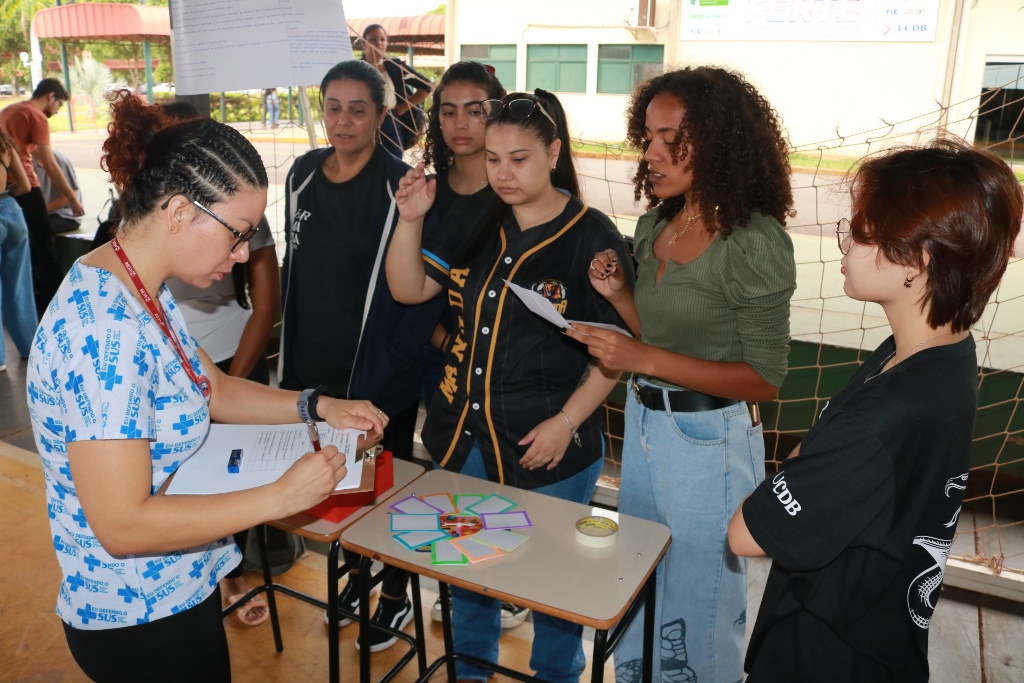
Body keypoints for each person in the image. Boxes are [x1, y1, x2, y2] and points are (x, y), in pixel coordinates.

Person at [25, 90, 387, 682]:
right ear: (178, 212)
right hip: (139, 618)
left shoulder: (137, 283)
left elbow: (212, 386)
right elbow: (122, 525)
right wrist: (280, 497)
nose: (243, 254)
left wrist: (318, 407)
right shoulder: (104, 330)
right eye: (236, 233)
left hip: (178, 589)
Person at [728, 140, 1022, 682]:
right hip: (875, 638)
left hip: (826, 657)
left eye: (862, 231)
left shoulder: (885, 415)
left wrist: (806, 461)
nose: (845, 242)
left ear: (918, 258)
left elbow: (745, 534)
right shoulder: (937, 353)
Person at [386, 89, 634, 683]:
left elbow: (617, 355)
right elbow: (408, 289)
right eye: (494, 159)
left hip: (546, 443)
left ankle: (557, 675)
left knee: (552, 584)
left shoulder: (591, 237)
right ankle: (471, 670)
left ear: (553, 153)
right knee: (468, 573)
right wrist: (409, 220)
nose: (503, 173)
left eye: (519, 159)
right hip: (463, 437)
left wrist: (566, 423)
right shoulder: (479, 217)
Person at [565, 67, 797, 683]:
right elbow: (658, 339)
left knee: (700, 605)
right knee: (639, 579)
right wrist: (620, 296)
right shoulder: (656, 226)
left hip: (709, 440)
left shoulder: (752, 240)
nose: (653, 152)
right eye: (649, 136)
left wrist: (642, 359)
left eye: (673, 138)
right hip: (646, 426)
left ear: (720, 143)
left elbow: (766, 378)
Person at [279, 59, 443, 652]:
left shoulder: (403, 185)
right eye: (333, 108)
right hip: (313, 377)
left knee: (386, 495)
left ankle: (396, 593)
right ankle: (356, 577)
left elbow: (421, 294)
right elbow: (297, 272)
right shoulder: (301, 174)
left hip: (376, 380)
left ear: (381, 115)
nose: (343, 121)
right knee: (338, 490)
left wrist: (390, 369)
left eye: (357, 109)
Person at [418, 61, 531, 630]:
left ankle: (510, 591)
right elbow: (409, 292)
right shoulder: (425, 193)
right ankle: (469, 604)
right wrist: (446, 340)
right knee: (457, 511)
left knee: (511, 507)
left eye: (476, 110)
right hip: (443, 371)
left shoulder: (518, 192)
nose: (461, 124)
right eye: (448, 111)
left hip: (509, 383)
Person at [0, 78, 84, 315]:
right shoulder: (36, 116)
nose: (56, 112)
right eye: (59, 105)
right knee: (45, 246)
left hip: (6, 190)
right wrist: (72, 198)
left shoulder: (9, 111)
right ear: (51, 96)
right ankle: (61, 301)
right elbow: (49, 163)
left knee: (23, 248)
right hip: (26, 185)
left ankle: (34, 295)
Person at [360, 23, 432, 157]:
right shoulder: (356, 69)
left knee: (395, 161)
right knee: (366, 161)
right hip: (364, 121)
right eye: (373, 39)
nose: (379, 43)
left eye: (382, 39)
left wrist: (403, 108)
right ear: (364, 43)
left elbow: (426, 86)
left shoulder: (395, 67)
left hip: (391, 120)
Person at [0, 127, 35, 373]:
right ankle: (29, 347)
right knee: (20, 286)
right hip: (12, 214)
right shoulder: (5, 147)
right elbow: (24, 186)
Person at [33, 147, 83, 234]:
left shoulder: (60, 160)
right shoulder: (27, 160)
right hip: (43, 213)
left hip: (66, 215)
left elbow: (70, 194)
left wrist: (41, 211)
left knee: (37, 228)